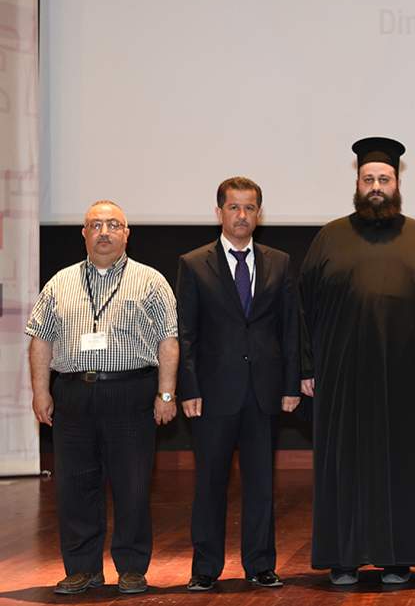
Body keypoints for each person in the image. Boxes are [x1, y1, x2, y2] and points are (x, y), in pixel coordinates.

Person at [299, 137, 415, 586]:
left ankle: (398, 557)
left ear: (397, 183)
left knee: (405, 466)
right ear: (357, 183)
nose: (377, 187)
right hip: (343, 378)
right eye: (369, 179)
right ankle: (343, 557)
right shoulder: (330, 237)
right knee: (344, 467)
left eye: (384, 179)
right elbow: (302, 309)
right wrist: (306, 368)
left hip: (410, 378)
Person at [25, 200, 179, 595]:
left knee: (132, 485)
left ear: (127, 234)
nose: (104, 232)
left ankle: (132, 567)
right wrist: (40, 391)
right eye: (96, 225)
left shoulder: (150, 281)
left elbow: (168, 341)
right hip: (73, 394)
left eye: (113, 224)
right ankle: (82, 568)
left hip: (130, 392)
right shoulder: (59, 283)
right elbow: (40, 339)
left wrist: (166, 393)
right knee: (75, 486)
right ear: (84, 233)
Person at [176, 177, 300, 591]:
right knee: (210, 483)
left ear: (259, 214)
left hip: (264, 392)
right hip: (212, 394)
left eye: (249, 208)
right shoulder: (194, 263)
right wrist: (189, 388)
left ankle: (261, 564)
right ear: (219, 212)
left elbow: (290, 328)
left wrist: (290, 385)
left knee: (261, 484)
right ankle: (205, 568)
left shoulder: (279, 262)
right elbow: (185, 333)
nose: (241, 215)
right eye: (234, 207)